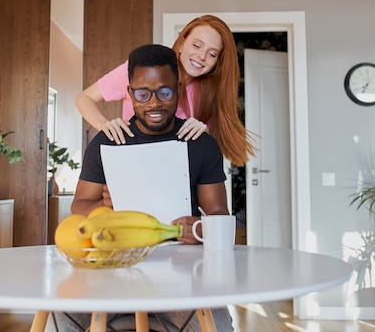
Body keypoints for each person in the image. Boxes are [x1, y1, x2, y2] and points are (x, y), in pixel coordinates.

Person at [47, 44, 234, 332]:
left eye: (165, 92)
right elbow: (80, 205)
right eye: (143, 93)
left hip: (180, 269)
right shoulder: (107, 142)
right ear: (130, 92)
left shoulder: (200, 144)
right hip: (111, 263)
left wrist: (198, 228)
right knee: (59, 319)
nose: (154, 103)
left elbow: (219, 214)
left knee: (216, 324)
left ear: (178, 88)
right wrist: (103, 207)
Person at [75, 14, 255, 167]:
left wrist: (206, 133)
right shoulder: (139, 70)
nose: (202, 56)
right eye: (197, 45)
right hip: (133, 164)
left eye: (212, 54)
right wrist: (103, 125)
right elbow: (84, 98)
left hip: (179, 174)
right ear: (183, 42)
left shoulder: (209, 93)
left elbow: (212, 151)